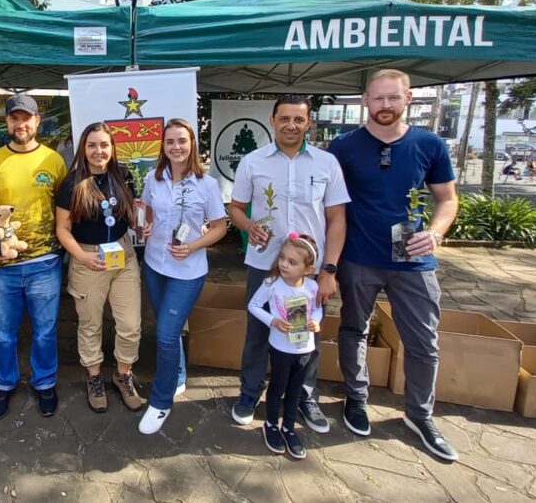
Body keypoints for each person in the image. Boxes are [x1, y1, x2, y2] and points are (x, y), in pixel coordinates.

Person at [327, 69, 460, 462]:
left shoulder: (429, 144)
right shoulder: (344, 146)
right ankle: (356, 398)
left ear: (408, 99)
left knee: (422, 341)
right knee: (353, 329)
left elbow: (447, 200)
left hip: (412, 257)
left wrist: (435, 234)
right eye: (378, 98)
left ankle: (420, 415)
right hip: (359, 256)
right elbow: (330, 204)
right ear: (365, 100)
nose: (385, 105)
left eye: (393, 98)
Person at [228, 95, 349, 434]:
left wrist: (329, 270)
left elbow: (337, 219)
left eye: (298, 119)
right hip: (266, 264)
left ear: (309, 122)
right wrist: (249, 225)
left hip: (309, 271)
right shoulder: (253, 162)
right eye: (285, 119)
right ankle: (250, 393)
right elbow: (235, 208)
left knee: (305, 332)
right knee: (258, 331)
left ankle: (306, 398)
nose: (291, 125)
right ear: (273, 120)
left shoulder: (327, 163)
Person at [0, 93, 67, 420]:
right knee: (3, 331)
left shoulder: (54, 161)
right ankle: (5, 383)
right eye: (15, 118)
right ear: (7, 122)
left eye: (26, 118)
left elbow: (65, 211)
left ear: (37, 121)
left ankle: (44, 383)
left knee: (44, 330)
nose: (21, 124)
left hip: (44, 263)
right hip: (2, 268)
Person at [138, 118, 228, 435]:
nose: (176, 147)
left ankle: (160, 402)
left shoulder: (207, 185)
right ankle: (177, 375)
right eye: (170, 141)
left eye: (182, 141)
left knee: (164, 334)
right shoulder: (154, 177)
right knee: (169, 329)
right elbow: (146, 210)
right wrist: (145, 225)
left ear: (192, 144)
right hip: (154, 265)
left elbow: (220, 226)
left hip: (187, 272)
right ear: (163, 146)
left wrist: (192, 246)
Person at [55, 122, 144, 413]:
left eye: (104, 144)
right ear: (83, 148)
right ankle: (94, 378)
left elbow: (131, 215)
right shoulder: (71, 184)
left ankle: (122, 374)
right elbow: (62, 230)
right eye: (92, 145)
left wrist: (142, 225)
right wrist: (81, 256)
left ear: (113, 148)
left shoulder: (124, 176)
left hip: (123, 257)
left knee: (130, 325)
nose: (98, 151)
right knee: (90, 324)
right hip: (88, 260)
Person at [248, 233, 323, 460]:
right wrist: (273, 321)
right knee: (277, 387)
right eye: (282, 258)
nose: (284, 264)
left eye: (292, 262)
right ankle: (271, 424)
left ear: (307, 269)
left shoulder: (311, 287)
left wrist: (316, 321)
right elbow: (253, 305)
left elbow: (318, 309)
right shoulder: (271, 284)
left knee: (295, 391)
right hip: (280, 349)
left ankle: (289, 428)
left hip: (304, 350)